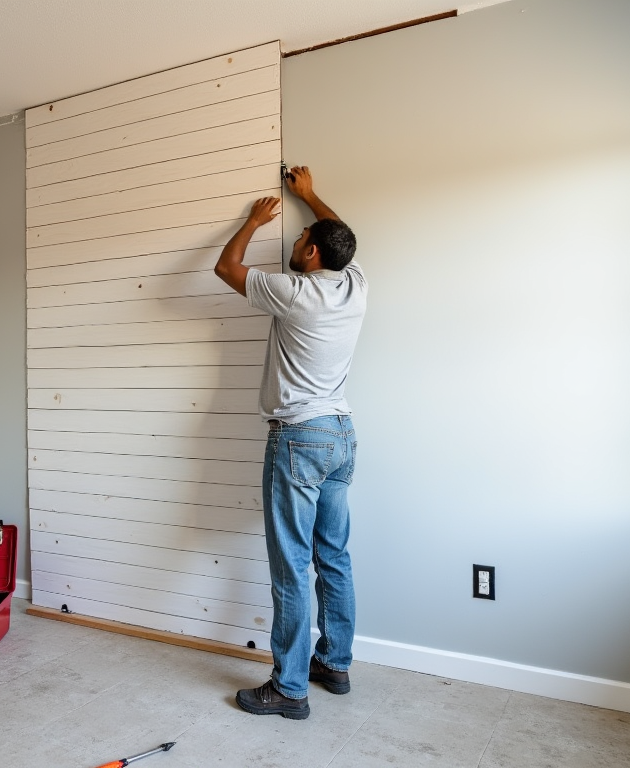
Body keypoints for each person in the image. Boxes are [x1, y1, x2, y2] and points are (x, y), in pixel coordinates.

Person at [214, 166, 367, 720]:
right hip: (341, 436)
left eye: (300, 239)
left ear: (311, 256)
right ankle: (335, 662)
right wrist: (308, 197)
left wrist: (253, 221)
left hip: (299, 438)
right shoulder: (355, 285)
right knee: (334, 556)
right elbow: (339, 234)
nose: (295, 241)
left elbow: (225, 267)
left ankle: (290, 688)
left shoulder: (295, 293)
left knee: (291, 565)